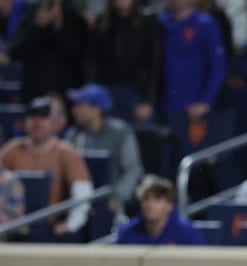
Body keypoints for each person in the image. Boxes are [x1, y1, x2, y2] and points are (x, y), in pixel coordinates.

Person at [0, 96, 92, 238]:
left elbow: (82, 192)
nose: (37, 122)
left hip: (50, 228)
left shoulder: (65, 152)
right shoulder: (12, 149)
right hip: (13, 227)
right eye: (32, 117)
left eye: (42, 117)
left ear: (53, 123)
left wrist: (71, 224)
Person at [65, 83, 144, 221]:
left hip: (112, 200)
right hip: (79, 201)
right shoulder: (73, 134)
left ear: (96, 109)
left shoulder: (120, 132)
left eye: (79, 106)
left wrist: (117, 197)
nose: (74, 111)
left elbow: (133, 170)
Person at [86, 0, 160, 124]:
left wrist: (148, 100)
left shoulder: (147, 23)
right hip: (106, 91)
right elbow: (91, 61)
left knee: (139, 137)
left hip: (136, 92)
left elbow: (154, 64)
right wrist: (92, 94)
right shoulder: (102, 22)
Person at [158, 0, 226, 119]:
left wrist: (206, 101)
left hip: (193, 107)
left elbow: (218, 66)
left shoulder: (205, 24)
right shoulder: (160, 23)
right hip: (162, 105)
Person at [8, 0, 87, 103]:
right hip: (33, 90)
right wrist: (38, 25)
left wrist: (59, 25)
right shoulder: (31, 13)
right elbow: (15, 52)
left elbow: (79, 54)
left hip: (65, 92)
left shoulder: (74, 15)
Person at [116, 175, 205, 245]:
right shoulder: (127, 232)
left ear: (169, 205)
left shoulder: (188, 232)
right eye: (146, 198)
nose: (150, 204)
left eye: (157, 199)